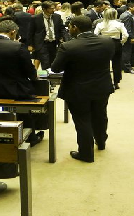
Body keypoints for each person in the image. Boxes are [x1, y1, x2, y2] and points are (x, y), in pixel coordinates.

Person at [51, 16, 115, 162]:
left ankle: (86, 154)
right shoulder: (107, 41)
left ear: (75, 27)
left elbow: (55, 68)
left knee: (82, 120)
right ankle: (101, 142)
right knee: (100, 115)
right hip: (102, 86)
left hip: (77, 89)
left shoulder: (68, 46)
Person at [0, 20, 44, 146]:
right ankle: (31, 137)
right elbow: (31, 73)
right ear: (13, 32)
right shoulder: (18, 47)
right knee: (33, 106)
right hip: (16, 92)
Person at [94, 8, 128, 89]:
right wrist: (122, 42)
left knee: (103, 64)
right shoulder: (119, 24)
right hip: (116, 43)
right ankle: (116, 82)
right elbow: (126, 35)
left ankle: (104, 81)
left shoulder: (100, 24)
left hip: (103, 44)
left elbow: (95, 34)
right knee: (116, 64)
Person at [29, 1, 65, 70]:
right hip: (42, 43)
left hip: (54, 43)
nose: (53, 10)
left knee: (54, 62)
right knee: (45, 63)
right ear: (44, 9)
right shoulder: (35, 18)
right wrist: (30, 45)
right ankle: (46, 79)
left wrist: (66, 40)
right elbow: (31, 32)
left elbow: (62, 29)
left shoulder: (57, 17)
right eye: (51, 8)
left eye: (54, 8)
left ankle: (52, 78)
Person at [119, 2, 134, 74]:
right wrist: (132, 37)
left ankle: (124, 66)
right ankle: (127, 68)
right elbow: (127, 28)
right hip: (127, 37)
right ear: (130, 8)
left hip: (124, 36)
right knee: (126, 52)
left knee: (125, 52)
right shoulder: (127, 16)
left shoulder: (126, 14)